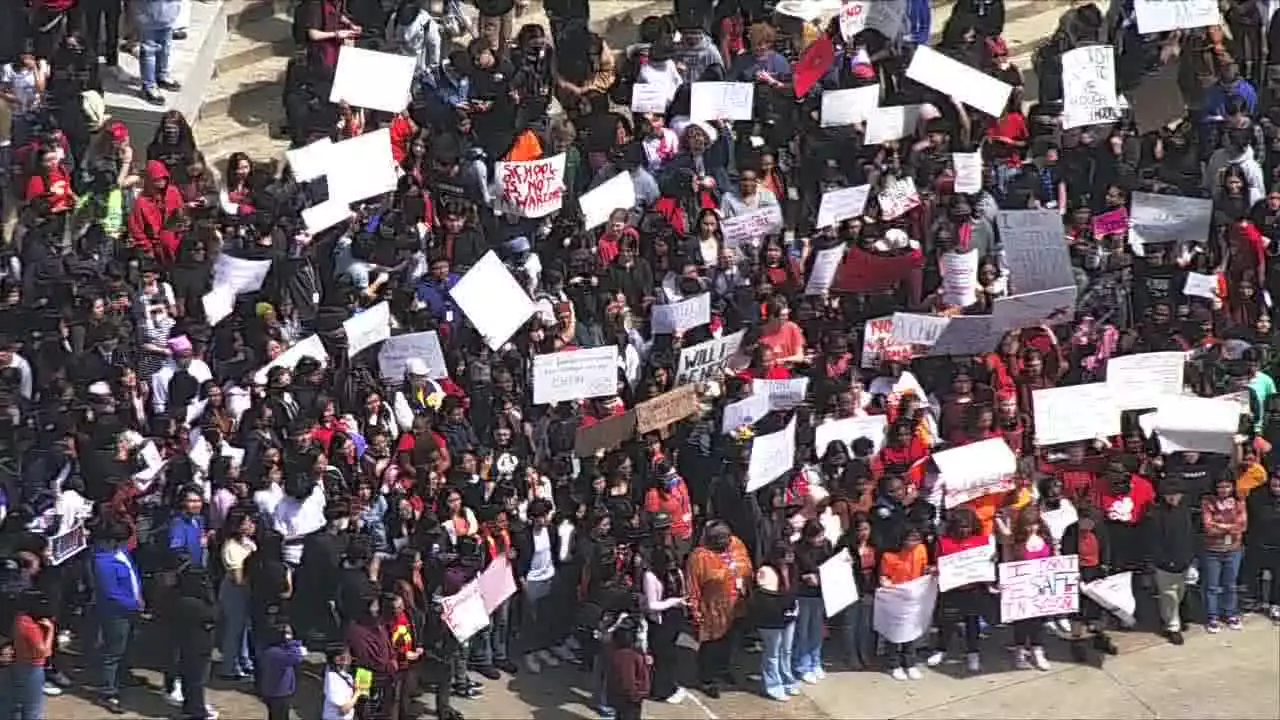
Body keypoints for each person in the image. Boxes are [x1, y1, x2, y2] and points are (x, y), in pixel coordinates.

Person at [1144, 477, 1198, 645]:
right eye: (1169, 494)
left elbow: (1191, 537)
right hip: (1165, 563)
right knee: (1169, 596)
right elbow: (1154, 541)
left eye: (1176, 494)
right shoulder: (1156, 514)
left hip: (1185, 560)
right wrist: (1163, 561)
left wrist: (1192, 559)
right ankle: (1172, 627)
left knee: (1180, 593)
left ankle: (1173, 618)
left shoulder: (1186, 511)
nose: (1173, 497)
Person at [751, 539, 797, 701]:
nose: (791, 559)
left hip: (789, 616)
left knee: (787, 650)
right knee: (773, 653)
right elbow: (768, 598)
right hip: (771, 619)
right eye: (787, 556)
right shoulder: (766, 571)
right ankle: (773, 685)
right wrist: (787, 602)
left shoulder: (791, 569)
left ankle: (787, 679)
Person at [1202, 476, 1248, 632]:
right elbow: (1208, 526)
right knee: (1212, 586)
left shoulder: (1239, 502)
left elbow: (1242, 525)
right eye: (1220, 487)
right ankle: (1212, 617)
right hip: (1212, 550)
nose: (1224, 490)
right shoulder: (1208, 502)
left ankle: (1230, 614)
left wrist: (1220, 525)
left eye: (1227, 486)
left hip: (1233, 549)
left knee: (1230, 585)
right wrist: (1229, 526)